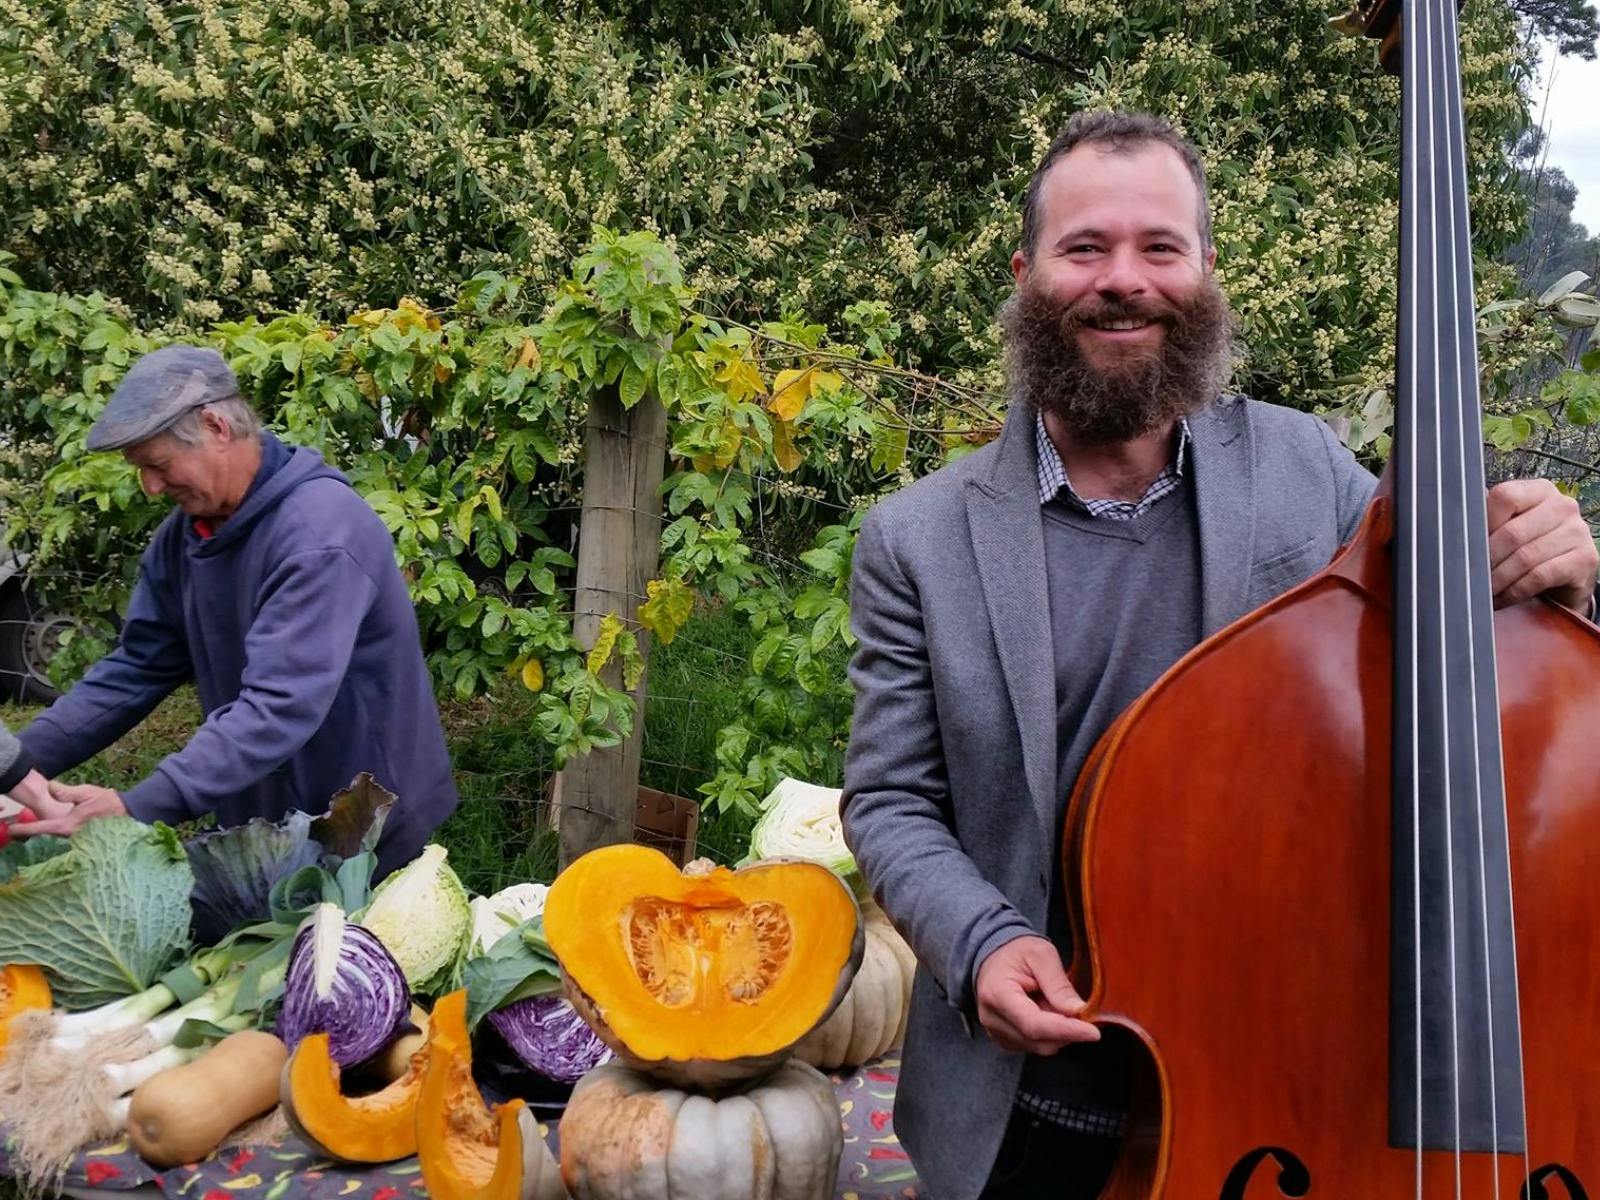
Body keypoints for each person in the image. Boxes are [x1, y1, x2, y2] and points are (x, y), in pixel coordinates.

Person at [839, 111, 1599, 1200]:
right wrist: (982, 943)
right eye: (1084, 247)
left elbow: (1482, 668)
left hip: (1290, 1073)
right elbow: (892, 799)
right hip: (1035, 1099)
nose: (1124, 279)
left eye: (1159, 247)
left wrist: (1558, 578)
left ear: (1202, 272)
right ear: (1025, 274)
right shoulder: (914, 541)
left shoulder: (1313, 471)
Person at [10, 346, 459, 874]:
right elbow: (135, 669)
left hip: (363, 820)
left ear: (215, 426)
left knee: (352, 953)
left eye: (157, 465)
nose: (152, 487)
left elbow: (277, 708)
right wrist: (18, 763)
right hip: (262, 816)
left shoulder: (319, 535)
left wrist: (136, 806)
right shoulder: (185, 536)